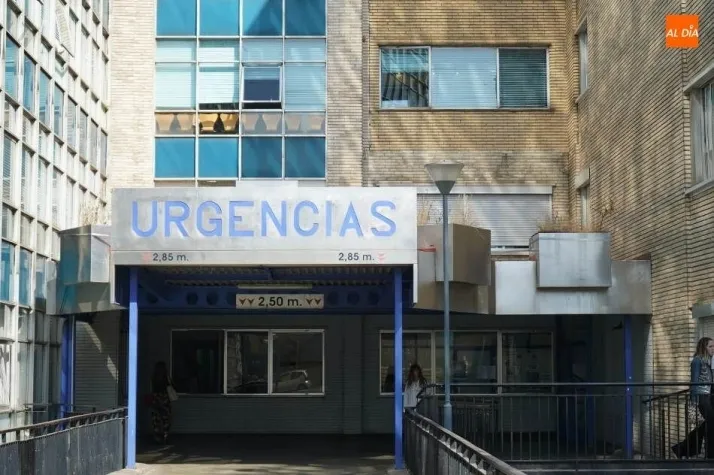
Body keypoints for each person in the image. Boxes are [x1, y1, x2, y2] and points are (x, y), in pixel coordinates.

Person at [672, 337, 714, 458]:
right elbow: (694, 382)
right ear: (703, 347)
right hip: (702, 397)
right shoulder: (697, 361)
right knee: (710, 425)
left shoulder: (708, 361)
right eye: (710, 346)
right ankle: (709, 455)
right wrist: (694, 402)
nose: (713, 349)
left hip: (709, 396)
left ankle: (682, 449)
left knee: (707, 425)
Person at [150, 361, 174, 444]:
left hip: (155, 399)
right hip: (165, 399)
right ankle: (165, 436)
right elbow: (170, 385)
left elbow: (152, 389)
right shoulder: (166, 377)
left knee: (156, 419)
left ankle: (157, 436)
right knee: (166, 418)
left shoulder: (154, 377)